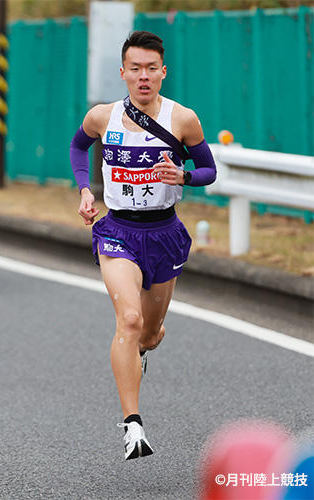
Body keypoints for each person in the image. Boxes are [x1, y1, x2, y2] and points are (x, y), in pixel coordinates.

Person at [70, 31, 216, 460]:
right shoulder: (103, 116)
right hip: (117, 230)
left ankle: (147, 345)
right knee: (129, 321)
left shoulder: (183, 119)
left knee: (149, 334)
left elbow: (208, 168)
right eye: (135, 68)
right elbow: (80, 147)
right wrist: (84, 190)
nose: (143, 76)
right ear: (123, 73)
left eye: (151, 68)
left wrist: (184, 177)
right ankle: (133, 425)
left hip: (164, 233)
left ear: (163, 72)